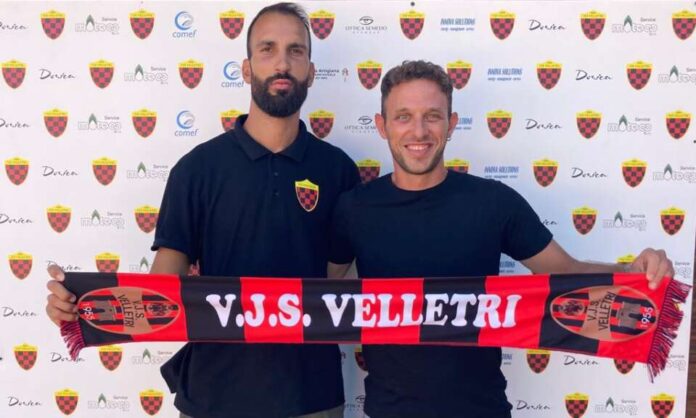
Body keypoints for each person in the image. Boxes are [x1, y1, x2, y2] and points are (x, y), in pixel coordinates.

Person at [46, 3, 360, 417]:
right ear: (246, 69)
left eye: (295, 51)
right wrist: (84, 307)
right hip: (213, 396)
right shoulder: (197, 169)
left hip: (312, 398)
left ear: (311, 72)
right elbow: (161, 291)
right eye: (267, 49)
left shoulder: (338, 171)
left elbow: (345, 285)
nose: (282, 63)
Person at [327, 60, 674, 418]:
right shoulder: (354, 209)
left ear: (451, 124)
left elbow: (564, 270)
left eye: (432, 116)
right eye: (403, 117)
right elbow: (318, 295)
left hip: (482, 409)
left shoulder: (493, 202)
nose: (419, 131)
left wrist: (632, 272)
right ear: (382, 126)